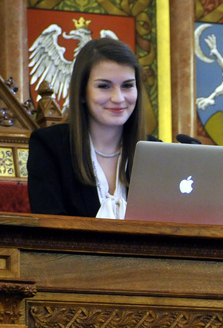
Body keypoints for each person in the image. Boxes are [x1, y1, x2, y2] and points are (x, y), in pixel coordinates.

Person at [28, 37, 148, 219]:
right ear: (82, 93)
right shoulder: (49, 145)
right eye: (104, 86)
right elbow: (48, 230)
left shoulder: (153, 152)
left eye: (127, 86)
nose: (118, 98)